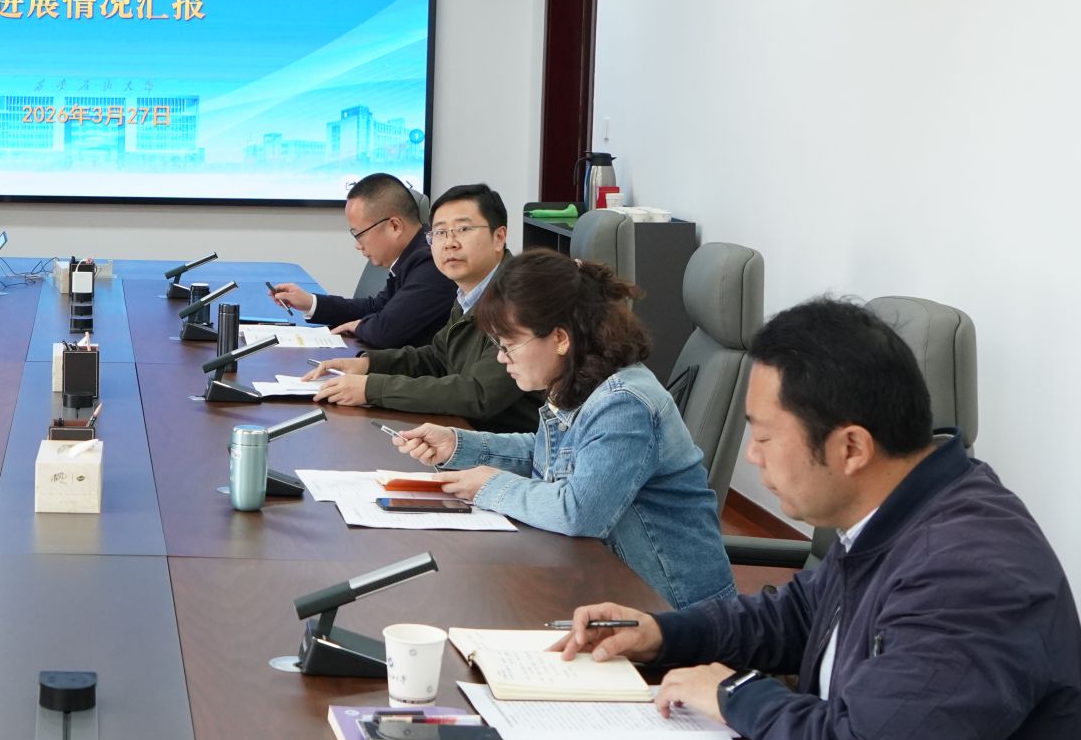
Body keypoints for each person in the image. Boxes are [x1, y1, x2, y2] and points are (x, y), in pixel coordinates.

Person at [557, 299, 1081, 740]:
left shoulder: (970, 570)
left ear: (851, 448)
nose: (751, 455)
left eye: (763, 435)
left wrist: (733, 693)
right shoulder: (901, 510)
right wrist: (666, 634)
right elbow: (800, 614)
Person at [390, 249, 733, 610]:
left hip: (676, 612)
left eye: (509, 345)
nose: (502, 358)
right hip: (608, 587)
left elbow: (578, 511)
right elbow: (548, 453)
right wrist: (458, 445)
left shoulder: (625, 404)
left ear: (560, 338)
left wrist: (490, 486)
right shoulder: (580, 383)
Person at [302, 183, 536, 430]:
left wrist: (372, 388)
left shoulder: (522, 298)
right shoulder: (469, 293)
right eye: (440, 232)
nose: (450, 243)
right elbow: (437, 358)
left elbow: (478, 394)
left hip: (510, 445)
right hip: (462, 432)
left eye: (463, 229)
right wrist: (368, 364)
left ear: (499, 237)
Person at [268, 172, 453, 349]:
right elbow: (376, 308)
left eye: (359, 234)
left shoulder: (433, 263)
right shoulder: (412, 256)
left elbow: (386, 330)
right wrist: (310, 302)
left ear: (394, 226)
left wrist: (358, 326)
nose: (358, 245)